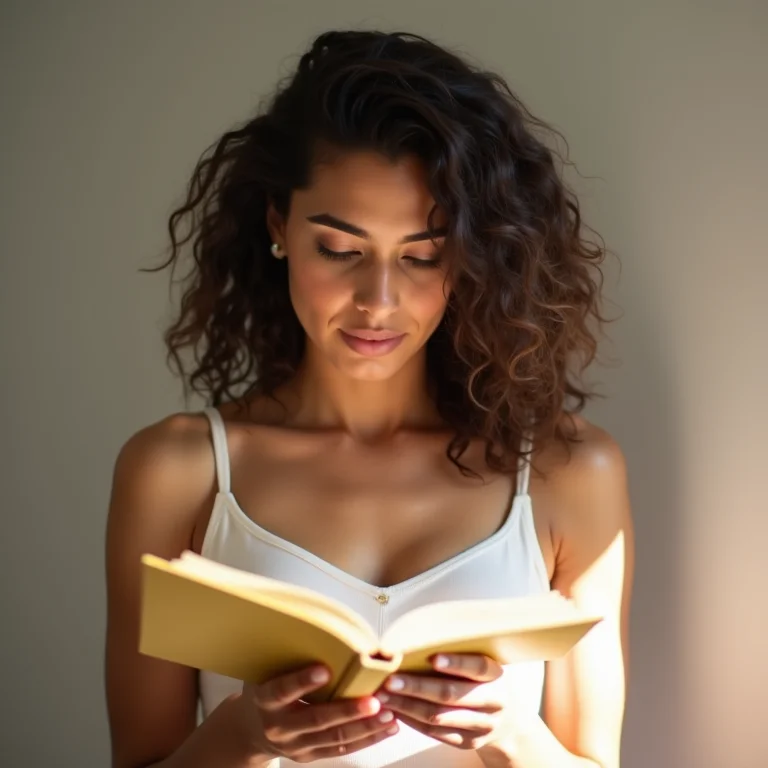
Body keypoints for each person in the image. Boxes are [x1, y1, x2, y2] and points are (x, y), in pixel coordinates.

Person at [104, 29, 634, 768]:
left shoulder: (567, 472)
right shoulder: (176, 471)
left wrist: (510, 733)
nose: (378, 301)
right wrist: (245, 735)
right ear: (279, 226)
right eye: (341, 250)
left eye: (422, 256)